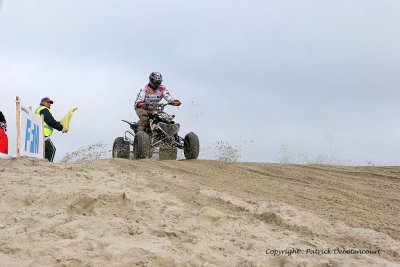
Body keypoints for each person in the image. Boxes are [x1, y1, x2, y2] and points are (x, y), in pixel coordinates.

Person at [35, 97, 68, 162]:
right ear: (42, 102)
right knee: (51, 150)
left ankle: (44, 164)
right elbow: (50, 121)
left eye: (50, 103)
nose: (49, 104)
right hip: (43, 135)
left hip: (40, 134)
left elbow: (50, 121)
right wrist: (61, 128)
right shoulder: (44, 109)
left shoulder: (40, 110)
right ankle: (48, 165)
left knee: (47, 150)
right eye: (48, 102)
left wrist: (60, 124)